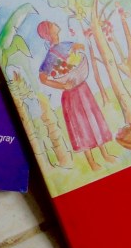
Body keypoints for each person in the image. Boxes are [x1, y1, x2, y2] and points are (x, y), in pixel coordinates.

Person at [37, 20, 114, 171]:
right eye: (51, 25)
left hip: (83, 89)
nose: (55, 24)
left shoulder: (65, 44)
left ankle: (105, 154)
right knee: (81, 127)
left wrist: (75, 51)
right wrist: (62, 85)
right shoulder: (51, 55)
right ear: (48, 33)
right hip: (71, 95)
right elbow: (43, 78)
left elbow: (79, 47)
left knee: (93, 120)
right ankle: (91, 163)